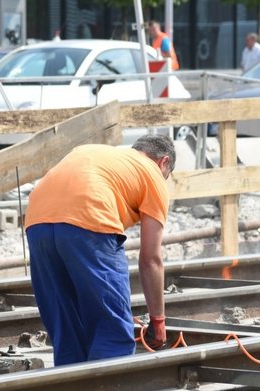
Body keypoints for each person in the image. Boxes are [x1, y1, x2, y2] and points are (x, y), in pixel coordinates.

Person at [24, 134, 175, 366]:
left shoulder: (100, 154)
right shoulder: (152, 173)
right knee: (111, 326)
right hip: (89, 218)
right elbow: (151, 260)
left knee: (66, 323)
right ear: (163, 162)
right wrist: (158, 321)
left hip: (37, 222)